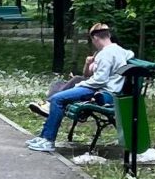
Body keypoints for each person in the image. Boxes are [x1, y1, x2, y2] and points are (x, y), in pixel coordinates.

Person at [28, 23, 132, 151]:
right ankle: (44, 136)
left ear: (95, 39)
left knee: (57, 99)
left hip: (100, 91)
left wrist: (80, 84)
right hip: (104, 89)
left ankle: (48, 140)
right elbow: (129, 55)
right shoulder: (121, 51)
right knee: (59, 93)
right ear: (108, 35)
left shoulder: (106, 54)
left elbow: (100, 80)